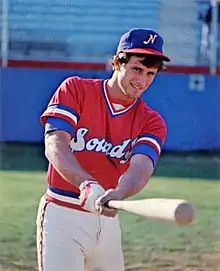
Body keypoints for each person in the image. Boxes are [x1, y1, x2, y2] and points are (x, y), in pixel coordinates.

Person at [36, 28, 171, 271]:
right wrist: (85, 183)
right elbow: (54, 145)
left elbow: (140, 168)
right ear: (119, 62)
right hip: (62, 216)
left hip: (108, 222)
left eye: (151, 74)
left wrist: (120, 192)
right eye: (137, 69)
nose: (142, 80)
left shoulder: (152, 121)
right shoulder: (76, 90)